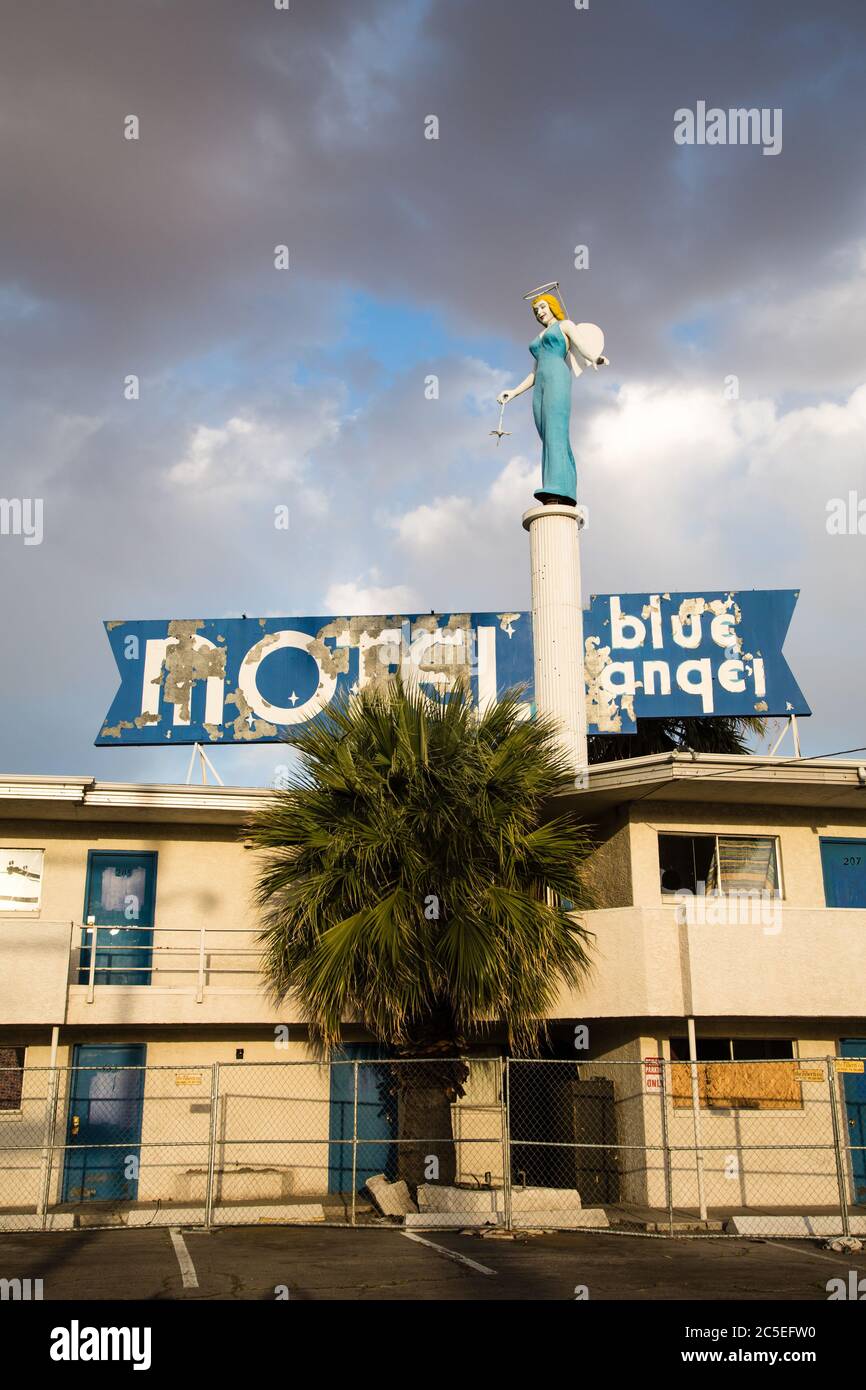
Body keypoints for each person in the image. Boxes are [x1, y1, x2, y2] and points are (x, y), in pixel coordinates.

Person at [497, 293, 607, 506]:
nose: (540, 312)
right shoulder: (539, 337)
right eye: (536, 310)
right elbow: (535, 372)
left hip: (557, 377)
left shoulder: (565, 325)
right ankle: (556, 483)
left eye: (543, 307)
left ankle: (559, 487)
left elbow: (583, 346)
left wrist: (595, 357)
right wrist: (513, 392)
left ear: (553, 306)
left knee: (556, 429)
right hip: (541, 384)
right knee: (546, 433)